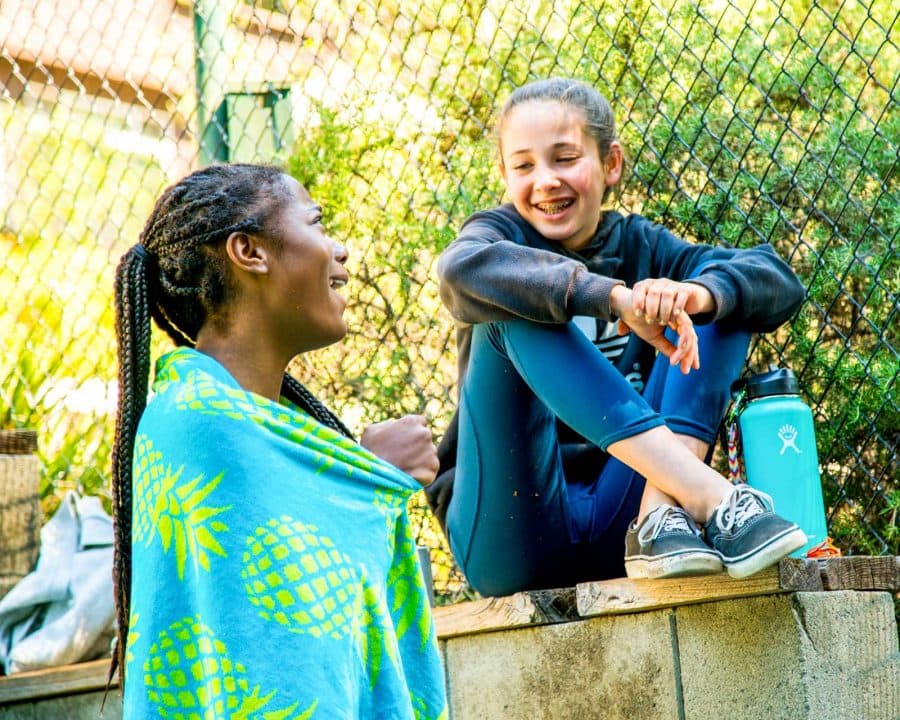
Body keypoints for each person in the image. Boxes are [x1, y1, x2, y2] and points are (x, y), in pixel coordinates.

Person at [428, 77, 808, 598]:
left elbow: (775, 278)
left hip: (625, 522)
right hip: (514, 532)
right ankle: (707, 495)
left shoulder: (642, 247)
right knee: (507, 308)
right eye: (524, 165)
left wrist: (694, 295)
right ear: (505, 176)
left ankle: (662, 511)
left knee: (720, 299)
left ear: (611, 163)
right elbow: (456, 273)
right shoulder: (498, 238)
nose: (544, 181)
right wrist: (612, 297)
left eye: (564, 158)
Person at [111, 163, 447, 719]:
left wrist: (361, 476)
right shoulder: (196, 422)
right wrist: (370, 477)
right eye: (316, 223)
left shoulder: (263, 425)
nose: (339, 251)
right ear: (250, 251)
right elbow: (269, 642)